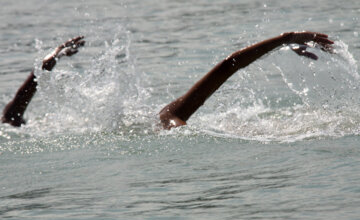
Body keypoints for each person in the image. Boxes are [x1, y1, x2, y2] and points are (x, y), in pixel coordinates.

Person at [1, 32, 333, 129]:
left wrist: (283, 39)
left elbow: (227, 67)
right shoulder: (170, 119)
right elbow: (227, 67)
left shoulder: (169, 118)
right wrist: (281, 39)